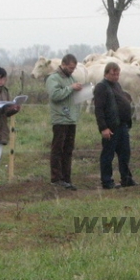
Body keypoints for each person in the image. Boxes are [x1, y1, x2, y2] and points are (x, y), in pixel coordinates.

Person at [93, 61, 136, 189]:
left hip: (122, 125)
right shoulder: (101, 87)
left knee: (125, 153)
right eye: (113, 74)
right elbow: (99, 109)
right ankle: (107, 181)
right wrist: (103, 128)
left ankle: (126, 178)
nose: (116, 77)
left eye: (118, 74)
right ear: (106, 73)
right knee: (108, 154)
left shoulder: (116, 85)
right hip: (111, 127)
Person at [46, 53, 83, 190]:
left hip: (71, 119)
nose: (72, 70)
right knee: (58, 149)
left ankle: (66, 178)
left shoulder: (71, 78)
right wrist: (71, 88)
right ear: (63, 64)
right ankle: (56, 178)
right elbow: (55, 95)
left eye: (74, 68)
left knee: (68, 150)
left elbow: (71, 96)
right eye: (70, 67)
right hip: (60, 119)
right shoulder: (53, 78)